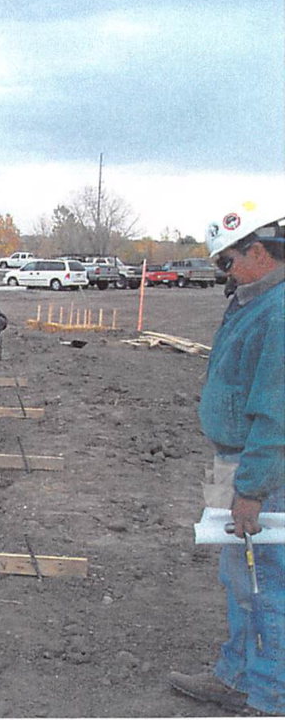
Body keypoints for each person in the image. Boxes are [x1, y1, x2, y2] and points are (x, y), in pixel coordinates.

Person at [169, 202, 285, 716]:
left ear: (258, 252)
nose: (223, 273)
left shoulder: (279, 312)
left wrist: (253, 489)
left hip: (263, 469)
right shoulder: (253, 300)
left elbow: (277, 414)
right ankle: (240, 672)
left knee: (265, 579)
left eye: (227, 262)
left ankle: (267, 692)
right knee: (242, 573)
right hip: (240, 462)